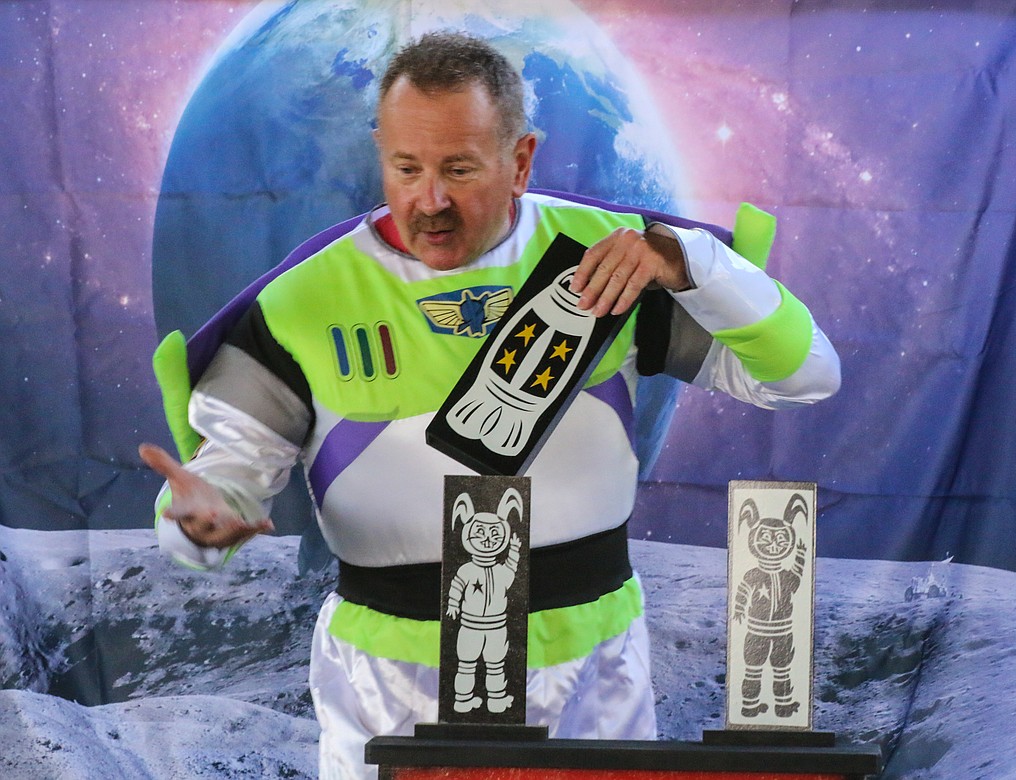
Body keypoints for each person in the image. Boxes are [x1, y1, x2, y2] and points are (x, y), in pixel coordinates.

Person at [140, 31, 841, 780]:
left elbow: (804, 376)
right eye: (405, 168)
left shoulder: (616, 260)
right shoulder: (297, 304)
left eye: (459, 169)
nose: (428, 200)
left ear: (522, 160)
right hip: (394, 684)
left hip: (590, 671)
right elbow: (225, 480)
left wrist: (693, 262)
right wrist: (200, 521)